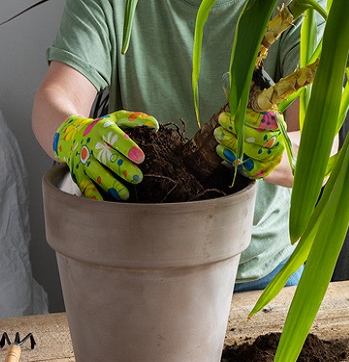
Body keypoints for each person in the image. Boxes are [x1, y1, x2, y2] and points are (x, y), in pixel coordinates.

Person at [32, 0, 323, 291]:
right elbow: (55, 96)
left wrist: (274, 153)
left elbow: (321, 153)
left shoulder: (298, 7)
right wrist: (73, 134)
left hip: (257, 269)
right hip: (139, 263)